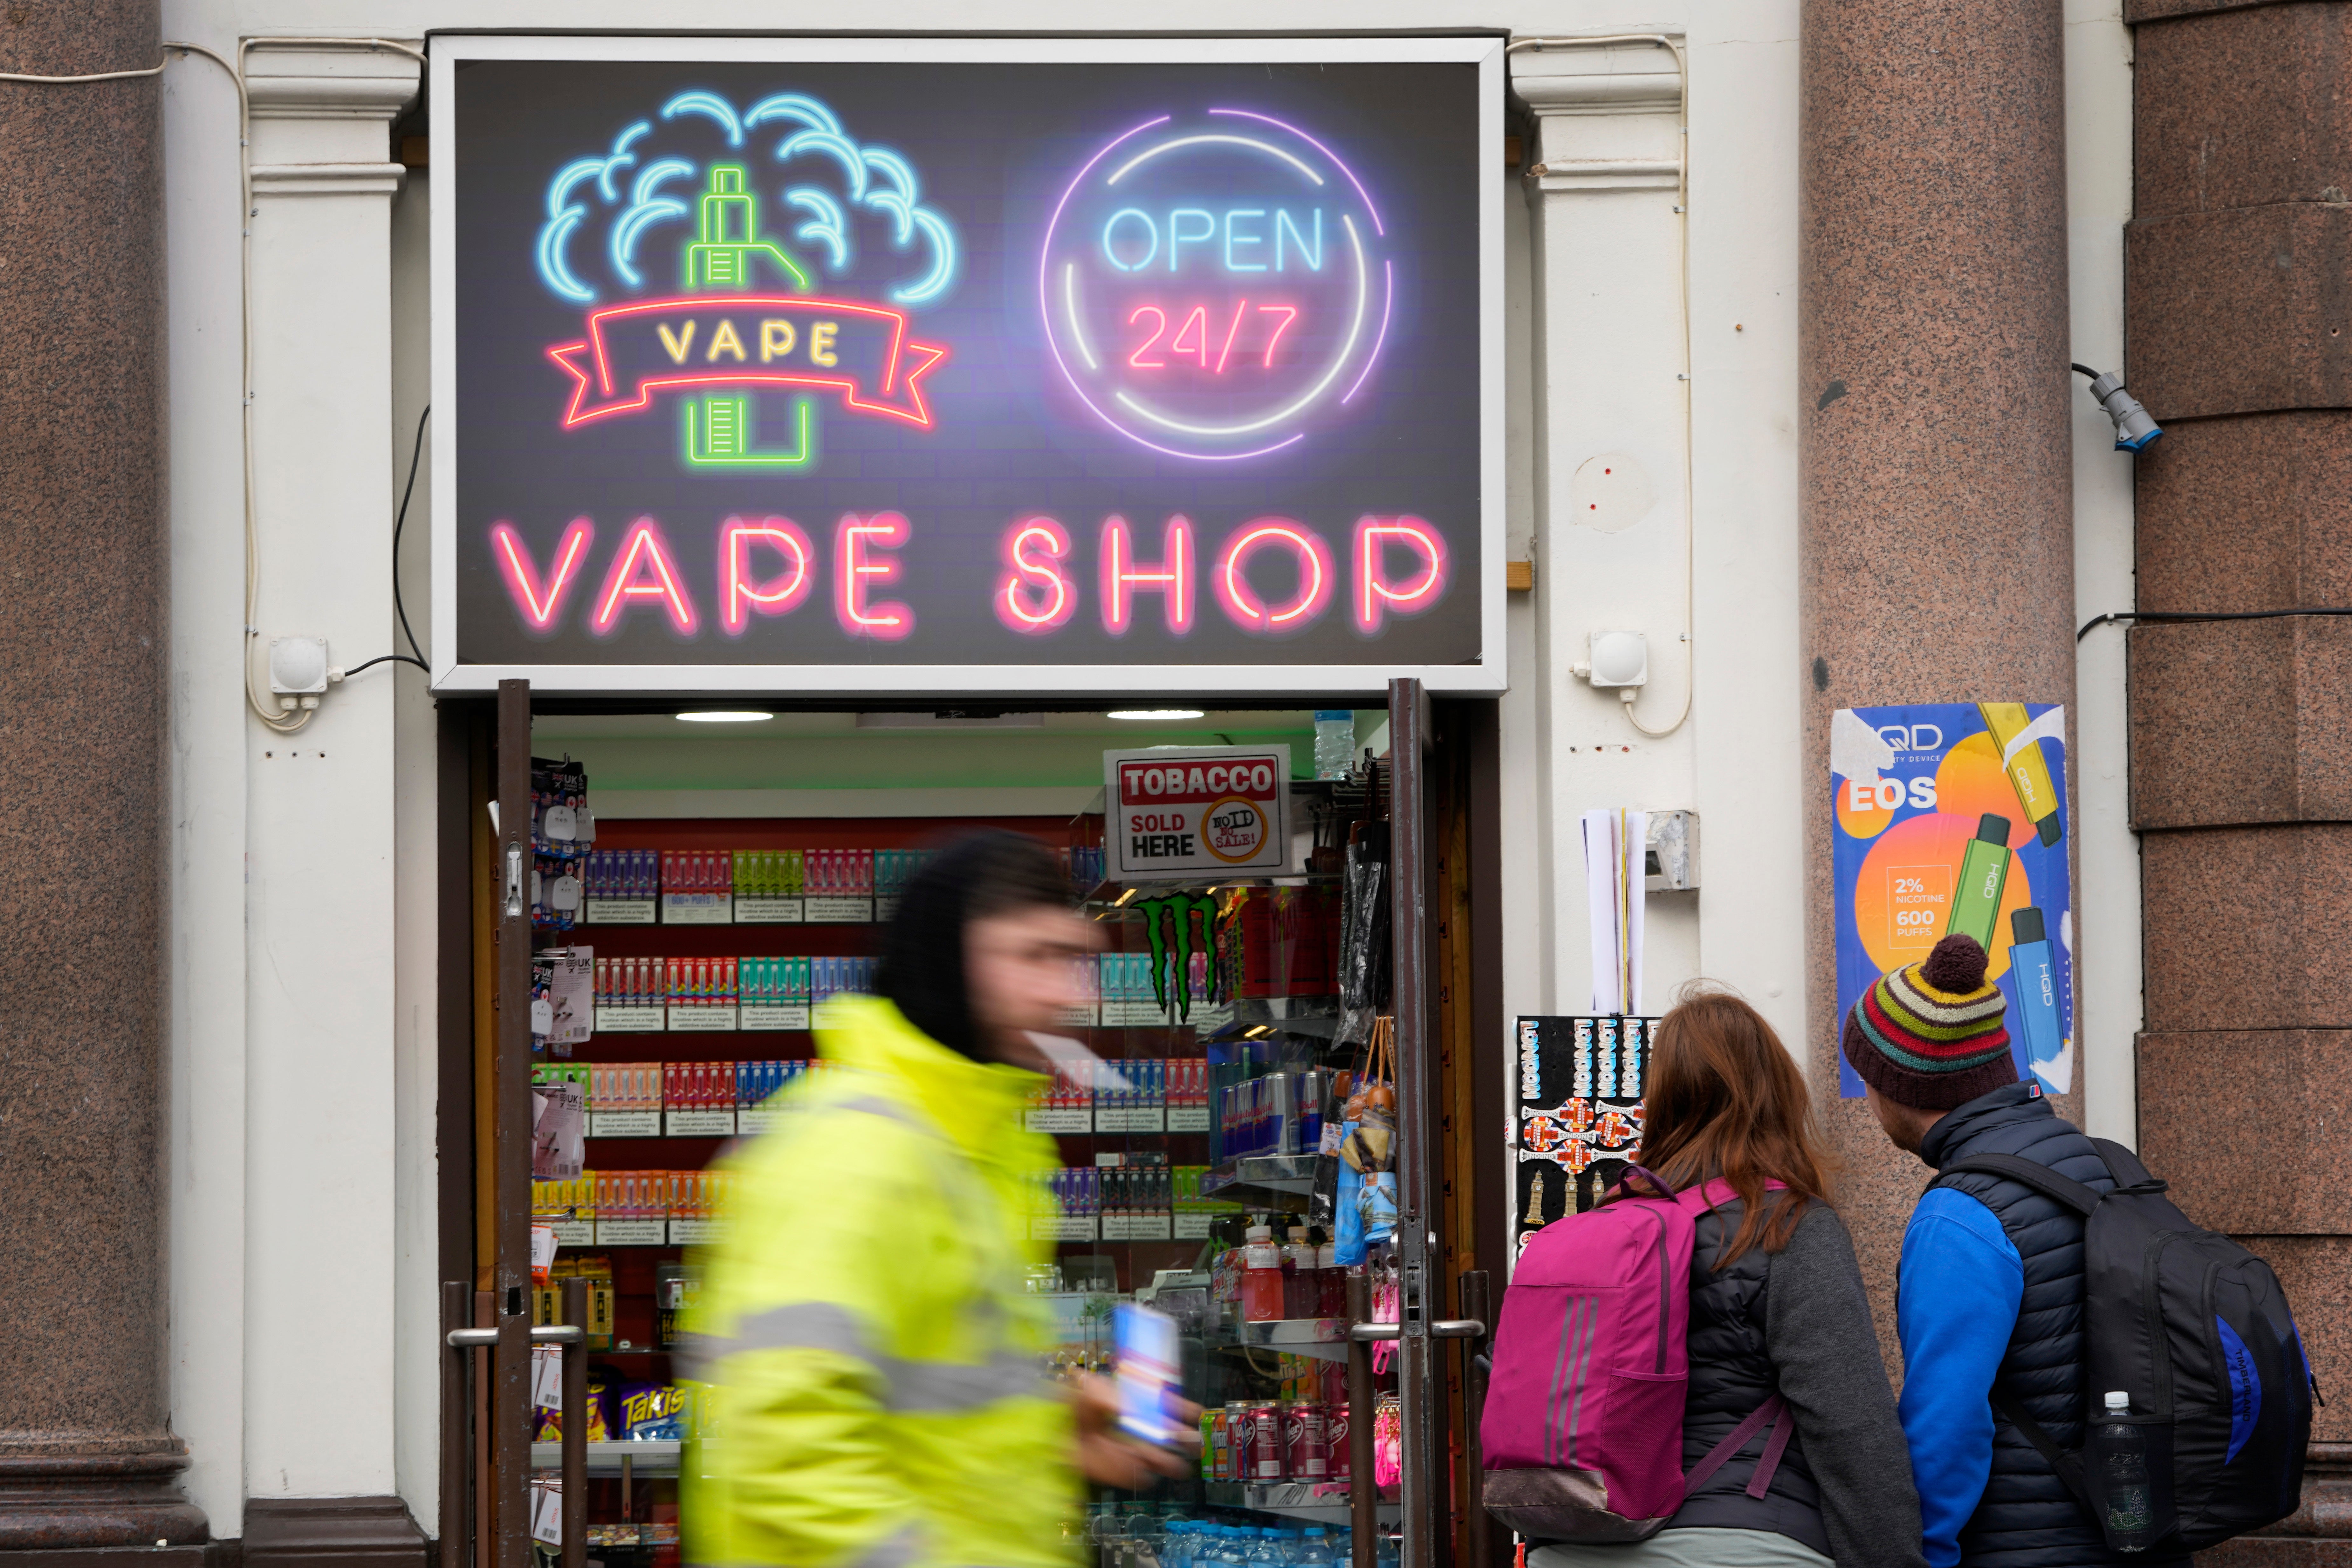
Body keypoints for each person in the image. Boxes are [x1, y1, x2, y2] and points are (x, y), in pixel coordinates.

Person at [684, 831, 1187, 1568]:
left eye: (1074, 958)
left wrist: (1045, 1427)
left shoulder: (968, 1147)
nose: (1067, 992)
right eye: (1031, 956)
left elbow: (916, 1400)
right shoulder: (857, 1152)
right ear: (948, 960)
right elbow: (786, 1447)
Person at [1531, 985, 1927, 1568]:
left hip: (1574, 1546)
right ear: (1776, 1095)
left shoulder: (1594, 1229)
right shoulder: (1789, 1226)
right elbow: (1851, 1431)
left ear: (1658, 1100)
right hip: (1740, 1540)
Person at [1847, 931, 2184, 1568]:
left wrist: (1924, 1556)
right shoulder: (2105, 1168)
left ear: (1902, 1086)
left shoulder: (1962, 1215)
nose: (1868, 1102)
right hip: (2142, 1537)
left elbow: (1946, 1425)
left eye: (1868, 1079)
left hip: (2024, 1548)